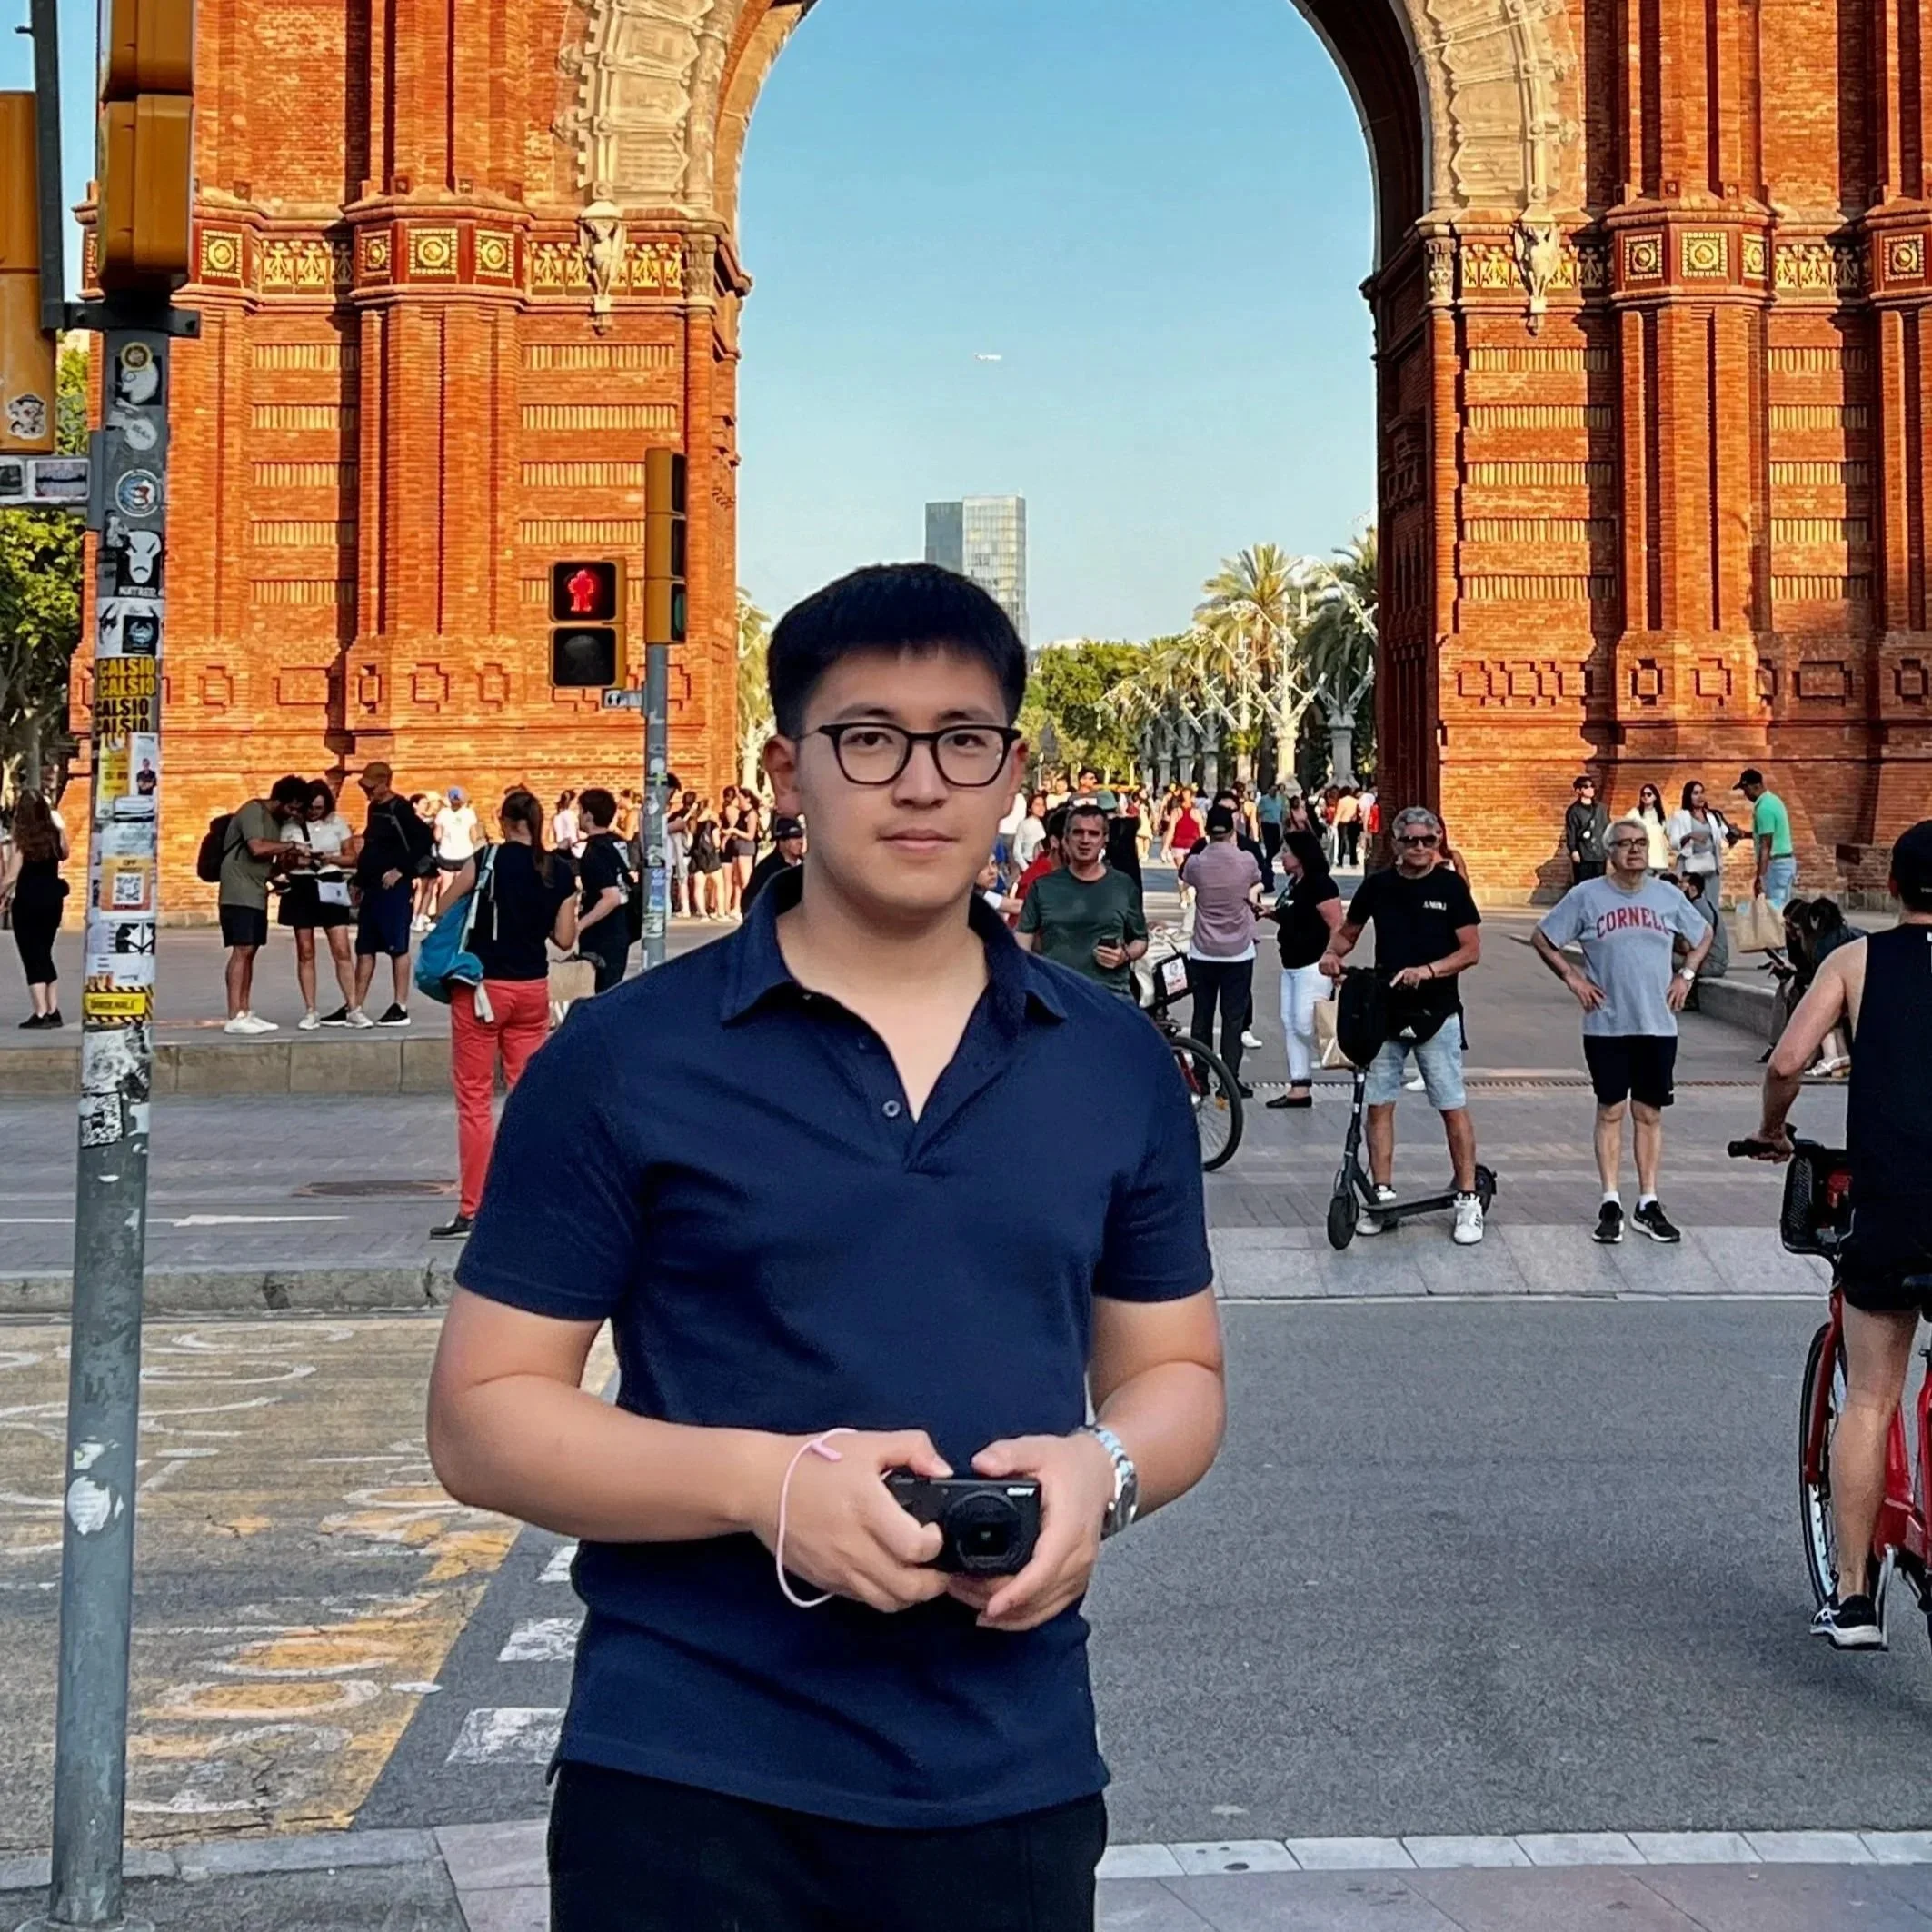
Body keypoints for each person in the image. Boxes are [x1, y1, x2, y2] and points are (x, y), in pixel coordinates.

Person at [425, 560, 1223, 1932]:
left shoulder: (1111, 1063)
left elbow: (1179, 1373)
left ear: (1010, 768)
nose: (919, 782)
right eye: (869, 739)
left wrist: (1105, 1472)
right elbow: (481, 1420)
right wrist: (768, 1488)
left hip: (1008, 1764)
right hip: (685, 1766)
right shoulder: (624, 1059)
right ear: (787, 770)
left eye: (961, 740)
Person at [1741, 821, 1932, 1649]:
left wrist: (1774, 1130)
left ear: (1893, 890)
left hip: (1894, 1203)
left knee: (1870, 1396)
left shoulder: (1856, 962)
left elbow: (1786, 1061)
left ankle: (1854, 1597)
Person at [1532, 815, 1711, 1245]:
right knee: (1611, 1109)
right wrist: (1573, 979)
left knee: (1649, 1113)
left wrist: (1685, 975)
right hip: (1607, 1024)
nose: (1634, 849)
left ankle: (1647, 1200)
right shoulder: (1587, 896)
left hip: (1657, 1022)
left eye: (1640, 842)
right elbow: (1543, 938)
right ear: (1608, 852)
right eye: (1624, 843)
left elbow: (1702, 934)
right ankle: (1610, 1198)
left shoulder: (1667, 895)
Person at [1319, 806, 1487, 1245]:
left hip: (1437, 1010)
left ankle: (1467, 1197)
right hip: (1386, 1009)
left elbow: (1471, 950)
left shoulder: (1450, 886)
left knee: (1450, 1103)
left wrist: (1428, 971)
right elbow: (1348, 933)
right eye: (1410, 841)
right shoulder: (1379, 886)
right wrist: (1331, 954)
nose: (1419, 848)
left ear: (1438, 843)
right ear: (1395, 843)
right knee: (1378, 1104)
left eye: (1427, 841)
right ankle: (1382, 1192)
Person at [430, 789, 579, 1243]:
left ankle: (473, 1207)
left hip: (481, 990)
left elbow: (441, 907)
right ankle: (532, 1202)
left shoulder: (487, 858)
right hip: (532, 989)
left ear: (501, 819)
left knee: (475, 1101)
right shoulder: (559, 869)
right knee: (527, 1097)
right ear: (538, 822)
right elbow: (566, 940)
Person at [1018, 801, 1149, 997]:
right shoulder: (1042, 887)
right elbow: (1023, 939)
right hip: (1057, 997)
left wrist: (1125, 955)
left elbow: (1140, 939)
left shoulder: (1123, 885)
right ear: (1065, 839)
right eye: (1078, 832)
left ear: (1104, 840)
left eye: (1093, 834)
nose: (1085, 840)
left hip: (1110, 997)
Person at [217, 775, 312, 1034]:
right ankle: (234, 1014)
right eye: (291, 808)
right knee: (242, 950)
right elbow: (257, 848)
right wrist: (292, 845)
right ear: (278, 800)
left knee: (251, 951)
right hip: (238, 891)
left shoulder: (275, 822)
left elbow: (267, 862)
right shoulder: (253, 811)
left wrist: (286, 868)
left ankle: (245, 1010)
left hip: (257, 890)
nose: (293, 814)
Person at [1179, 804, 1262, 1092]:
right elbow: (1256, 880)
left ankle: (1200, 1076)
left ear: (1206, 831)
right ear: (1231, 830)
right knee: (1233, 1018)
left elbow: (1186, 877)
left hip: (1203, 949)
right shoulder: (1247, 861)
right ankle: (1229, 1080)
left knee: (1202, 1016)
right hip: (1239, 950)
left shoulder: (1197, 864)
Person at [1266, 829, 1344, 1110]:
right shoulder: (1293, 884)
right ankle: (1299, 1086)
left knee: (1303, 1022)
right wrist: (1270, 914)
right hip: (1290, 962)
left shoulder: (1320, 884)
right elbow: (1294, 918)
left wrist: (1333, 956)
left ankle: (1348, 1053)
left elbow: (1337, 923)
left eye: (1287, 852)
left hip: (1314, 963)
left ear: (1301, 856)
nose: (1282, 856)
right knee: (1289, 1023)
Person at [350, 762, 430, 1027]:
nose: (367, 792)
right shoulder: (374, 808)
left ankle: (400, 1005)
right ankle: (356, 1004)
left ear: (385, 782)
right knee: (365, 947)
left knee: (398, 947)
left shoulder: (401, 809)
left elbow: (423, 840)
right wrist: (359, 881)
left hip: (394, 889)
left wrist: (401, 870)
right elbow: (371, 848)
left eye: (370, 787)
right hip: (373, 887)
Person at [281, 780, 362, 1029]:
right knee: (305, 950)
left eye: (319, 807)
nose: (315, 812)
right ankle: (310, 1009)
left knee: (341, 949)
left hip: (329, 880)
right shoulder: (290, 826)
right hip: (302, 884)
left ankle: (353, 1006)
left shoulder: (337, 823)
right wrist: (297, 858)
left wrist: (330, 858)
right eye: (311, 808)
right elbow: (282, 862)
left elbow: (352, 858)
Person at [1, 790, 69, 1029]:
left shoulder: (23, 840)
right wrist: (59, 827)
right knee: (44, 953)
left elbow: (10, 876)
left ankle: (40, 1012)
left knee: (33, 955)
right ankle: (53, 1008)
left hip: (28, 901)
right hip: (53, 900)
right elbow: (65, 853)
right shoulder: (54, 835)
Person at [574, 788, 634, 994]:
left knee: (597, 994)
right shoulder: (617, 843)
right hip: (620, 929)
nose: (578, 816)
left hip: (600, 937)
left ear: (589, 815)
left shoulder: (594, 853)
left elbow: (611, 897)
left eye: (580, 811)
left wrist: (579, 926)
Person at [1738, 767, 1798, 909]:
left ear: (1756, 786)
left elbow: (1766, 845)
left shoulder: (1764, 808)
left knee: (1775, 912)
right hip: (1785, 862)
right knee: (1782, 909)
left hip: (1776, 865)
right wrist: (1744, 834)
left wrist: (1760, 877)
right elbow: (1768, 834)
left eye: (1746, 789)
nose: (1745, 794)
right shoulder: (1774, 801)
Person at [1665, 780, 1734, 890]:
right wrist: (1690, 836)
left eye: (1702, 793)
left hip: (1711, 867)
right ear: (1688, 796)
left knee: (1711, 903)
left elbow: (1726, 835)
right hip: (1689, 868)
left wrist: (1736, 834)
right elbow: (1673, 843)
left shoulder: (1712, 816)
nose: (1700, 797)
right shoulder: (1679, 816)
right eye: (1696, 793)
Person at [741, 814, 805, 912]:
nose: (800, 842)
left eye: (800, 836)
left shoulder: (807, 866)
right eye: (794, 837)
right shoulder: (768, 869)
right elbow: (749, 901)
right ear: (781, 841)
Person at [1678, 871, 1728, 981]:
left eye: (1682, 885)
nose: (1679, 890)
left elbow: (1690, 946)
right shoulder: (1705, 904)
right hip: (1716, 961)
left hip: (1712, 964)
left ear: (1692, 889)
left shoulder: (1697, 910)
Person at [1565, 774, 1608, 883]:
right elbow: (1571, 832)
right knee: (1583, 885)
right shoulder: (1574, 810)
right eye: (1587, 787)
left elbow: (1607, 827)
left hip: (1599, 854)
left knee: (1599, 885)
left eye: (1592, 786)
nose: (1591, 789)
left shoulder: (1601, 808)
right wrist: (1573, 850)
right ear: (1579, 790)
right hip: (1583, 854)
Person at [1630, 782, 1672, 872]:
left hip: (1660, 860)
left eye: (1649, 794)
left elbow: (1668, 834)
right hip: (1643, 860)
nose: (1645, 797)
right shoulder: (1635, 813)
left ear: (1655, 797)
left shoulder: (1662, 816)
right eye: (1643, 795)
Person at [1011, 791, 1049, 874]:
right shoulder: (1024, 824)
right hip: (1030, 864)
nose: (1041, 808)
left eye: (1043, 805)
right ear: (1030, 807)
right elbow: (1016, 851)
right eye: (1037, 805)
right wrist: (1027, 869)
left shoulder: (1046, 823)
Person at [1257, 782, 1288, 877]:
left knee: (1277, 846)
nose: (1274, 792)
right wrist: (1259, 826)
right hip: (1267, 825)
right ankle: (1268, 866)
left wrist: (1283, 825)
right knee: (1269, 846)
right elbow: (1259, 813)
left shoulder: (1279, 800)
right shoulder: (1264, 800)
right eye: (1273, 790)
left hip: (1276, 825)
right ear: (1268, 790)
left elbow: (1282, 812)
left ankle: (1266, 861)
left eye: (1276, 790)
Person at [1332, 786, 1362, 869]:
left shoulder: (1341, 801)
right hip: (1353, 823)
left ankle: (1340, 861)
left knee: (1342, 842)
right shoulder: (1356, 801)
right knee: (1353, 842)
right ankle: (1353, 860)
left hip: (1343, 822)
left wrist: (1334, 824)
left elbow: (1339, 813)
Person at [553, 789, 581, 859]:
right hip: (571, 849)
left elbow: (554, 837)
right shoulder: (571, 815)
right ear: (570, 802)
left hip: (559, 848)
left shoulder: (556, 817)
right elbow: (573, 835)